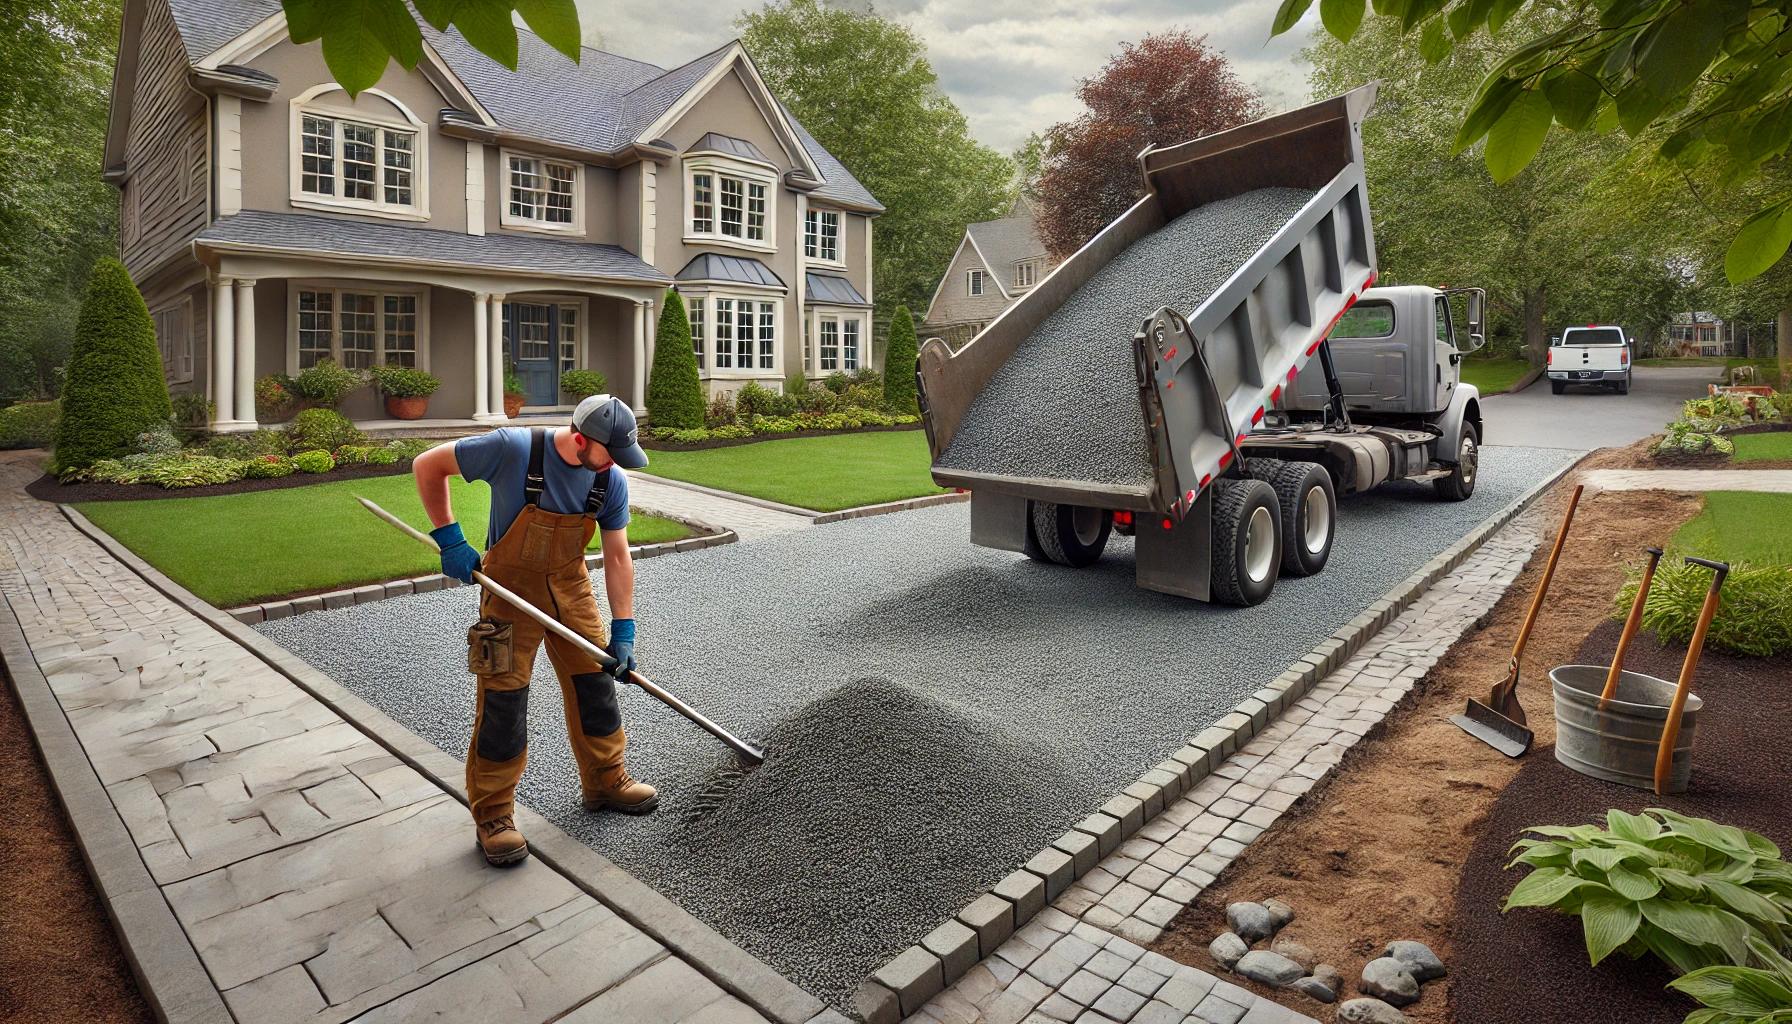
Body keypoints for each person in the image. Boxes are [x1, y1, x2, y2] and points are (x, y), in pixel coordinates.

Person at [412, 394, 658, 867]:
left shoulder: (610, 481)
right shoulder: (511, 449)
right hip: (506, 595)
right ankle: (494, 815)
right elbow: (428, 465)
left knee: (596, 688)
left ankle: (606, 780)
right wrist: (450, 538)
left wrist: (624, 628)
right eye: (609, 453)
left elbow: (618, 555)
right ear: (581, 439)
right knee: (503, 703)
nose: (613, 466)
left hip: (571, 591)